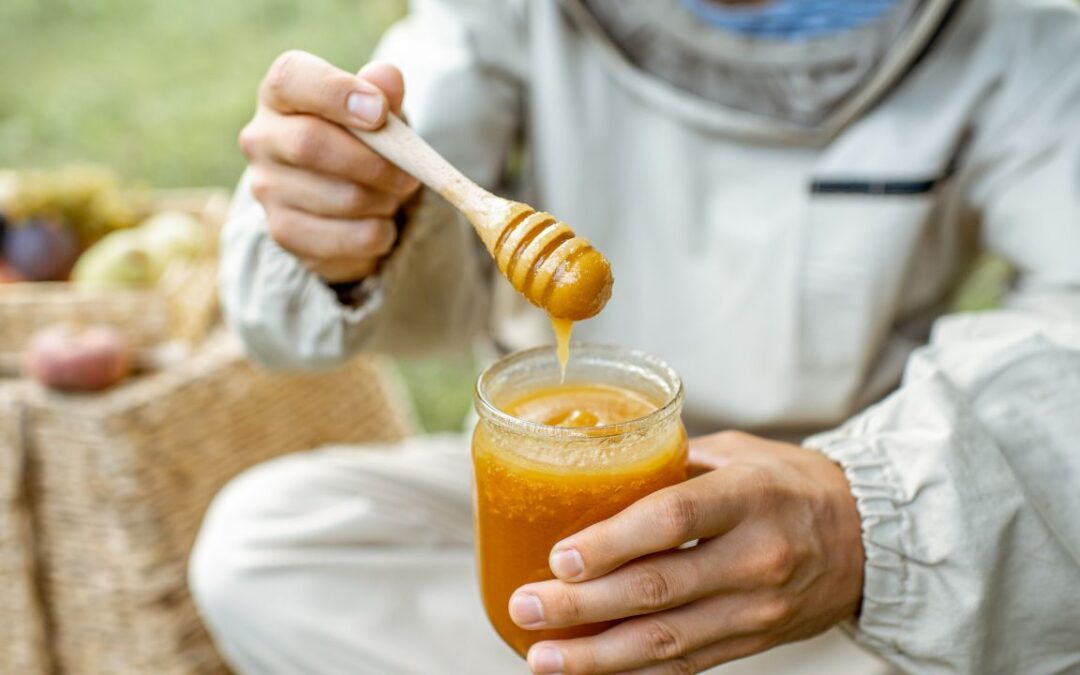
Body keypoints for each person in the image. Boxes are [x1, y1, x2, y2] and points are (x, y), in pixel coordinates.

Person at [189, 0, 1080, 673]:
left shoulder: (1027, 34)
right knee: (265, 547)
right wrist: (342, 221)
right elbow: (303, 297)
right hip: (540, 509)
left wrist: (865, 521)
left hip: (816, 534)